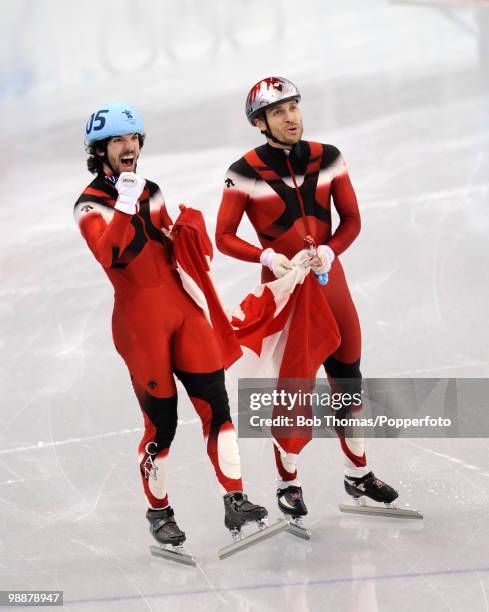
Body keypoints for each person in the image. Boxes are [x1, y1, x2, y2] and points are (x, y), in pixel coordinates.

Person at [74, 102, 268, 552]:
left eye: (135, 138)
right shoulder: (88, 205)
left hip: (183, 312)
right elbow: (110, 254)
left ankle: (235, 498)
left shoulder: (152, 189)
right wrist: (123, 202)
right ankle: (158, 511)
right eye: (119, 141)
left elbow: (168, 241)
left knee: (216, 406)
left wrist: (183, 229)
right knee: (161, 425)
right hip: (140, 325)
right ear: (100, 150)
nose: (130, 147)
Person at [215, 77, 398, 521]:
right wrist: (267, 256)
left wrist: (333, 250)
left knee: (348, 375)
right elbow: (221, 237)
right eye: (279, 112)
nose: (291, 116)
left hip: (328, 281)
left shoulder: (328, 157)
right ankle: (288, 483)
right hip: (285, 289)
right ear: (260, 122)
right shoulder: (243, 171)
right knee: (292, 387)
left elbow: (352, 218)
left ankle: (358, 472)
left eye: (294, 106)